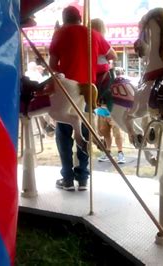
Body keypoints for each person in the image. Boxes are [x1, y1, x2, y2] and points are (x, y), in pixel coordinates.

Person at [49, 6, 116, 191]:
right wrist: (93, 60)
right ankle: (83, 177)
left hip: (67, 90)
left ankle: (68, 178)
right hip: (89, 89)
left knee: (64, 133)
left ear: (64, 20)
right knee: (86, 131)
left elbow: (53, 65)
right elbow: (112, 56)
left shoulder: (59, 34)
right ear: (80, 18)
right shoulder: (93, 34)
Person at [90, 18, 126, 164]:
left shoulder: (91, 39)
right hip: (102, 79)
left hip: (96, 79)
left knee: (108, 123)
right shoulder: (99, 39)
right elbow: (113, 55)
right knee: (106, 125)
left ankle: (117, 151)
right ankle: (112, 151)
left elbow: (112, 56)